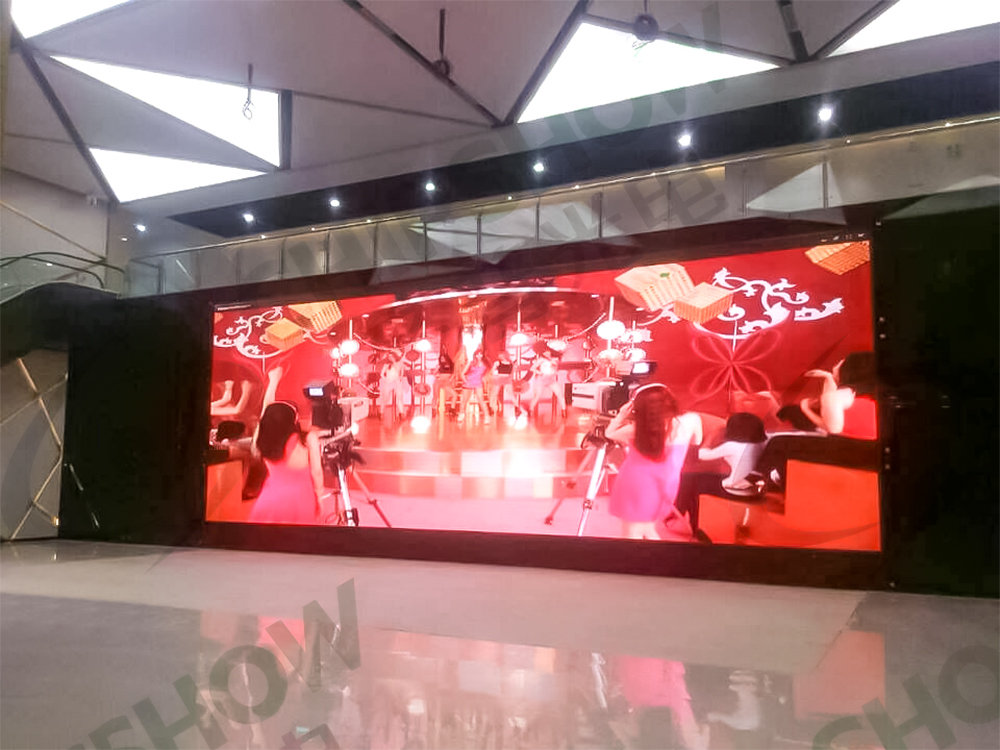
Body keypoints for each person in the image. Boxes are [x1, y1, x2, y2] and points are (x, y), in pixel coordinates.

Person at [605, 384, 702, 541]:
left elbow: (610, 433)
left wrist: (622, 415)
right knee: (648, 527)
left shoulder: (638, 430)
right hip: (667, 483)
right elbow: (697, 441)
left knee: (632, 533)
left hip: (634, 483)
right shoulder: (692, 420)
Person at [247, 366, 335, 525]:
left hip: (268, 501)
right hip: (300, 501)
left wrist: (273, 381)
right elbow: (317, 473)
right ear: (293, 420)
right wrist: (319, 497)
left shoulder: (261, 438)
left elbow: (267, 411)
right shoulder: (307, 439)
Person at [675, 413, 768, 536]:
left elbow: (702, 455)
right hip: (754, 490)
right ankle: (687, 519)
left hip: (734, 491)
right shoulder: (762, 444)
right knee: (701, 479)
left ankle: (687, 520)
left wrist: (711, 436)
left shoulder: (733, 446)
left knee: (689, 480)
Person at [800, 351, 877, 440]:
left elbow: (833, 429)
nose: (836, 365)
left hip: (854, 443)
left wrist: (806, 408)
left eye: (841, 362)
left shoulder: (837, 396)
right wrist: (828, 377)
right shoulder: (873, 393)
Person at [527, 349, 566, 419]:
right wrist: (540, 373)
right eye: (546, 352)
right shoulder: (541, 360)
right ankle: (530, 410)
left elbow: (555, 370)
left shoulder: (553, 360)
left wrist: (554, 369)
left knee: (560, 393)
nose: (547, 354)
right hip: (541, 379)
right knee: (537, 395)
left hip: (550, 379)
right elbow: (532, 368)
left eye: (549, 352)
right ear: (543, 353)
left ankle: (564, 410)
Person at [458, 349, 490, 424]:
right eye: (478, 354)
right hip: (468, 382)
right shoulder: (471, 363)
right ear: (475, 355)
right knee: (464, 400)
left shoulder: (486, 364)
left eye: (481, 354)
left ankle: (487, 416)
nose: (479, 356)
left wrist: (485, 377)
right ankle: (461, 414)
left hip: (478, 382)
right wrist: (465, 380)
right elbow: (462, 373)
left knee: (481, 400)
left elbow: (489, 372)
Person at [379, 350, 407, 423]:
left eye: (392, 356)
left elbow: (402, 373)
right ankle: (381, 413)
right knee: (385, 398)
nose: (390, 358)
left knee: (399, 398)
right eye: (389, 357)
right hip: (388, 382)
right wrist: (386, 379)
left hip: (397, 382)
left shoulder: (400, 364)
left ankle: (401, 413)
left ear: (395, 356)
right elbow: (381, 374)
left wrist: (399, 379)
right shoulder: (386, 365)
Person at [431, 344, 457, 417]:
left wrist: (450, 379)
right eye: (441, 358)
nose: (442, 359)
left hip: (446, 381)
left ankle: (452, 409)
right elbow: (434, 373)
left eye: (443, 358)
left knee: (454, 394)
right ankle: (433, 409)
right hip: (439, 381)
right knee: (435, 396)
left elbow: (453, 374)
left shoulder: (451, 365)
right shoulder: (439, 365)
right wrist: (436, 374)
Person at [489, 350, 514, 417]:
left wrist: (510, 379)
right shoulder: (498, 362)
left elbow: (511, 373)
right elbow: (492, 371)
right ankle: (490, 407)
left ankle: (517, 408)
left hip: (506, 379)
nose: (499, 356)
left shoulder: (510, 363)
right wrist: (494, 375)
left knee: (511, 394)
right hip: (500, 378)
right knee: (494, 393)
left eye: (500, 354)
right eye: (499, 355)